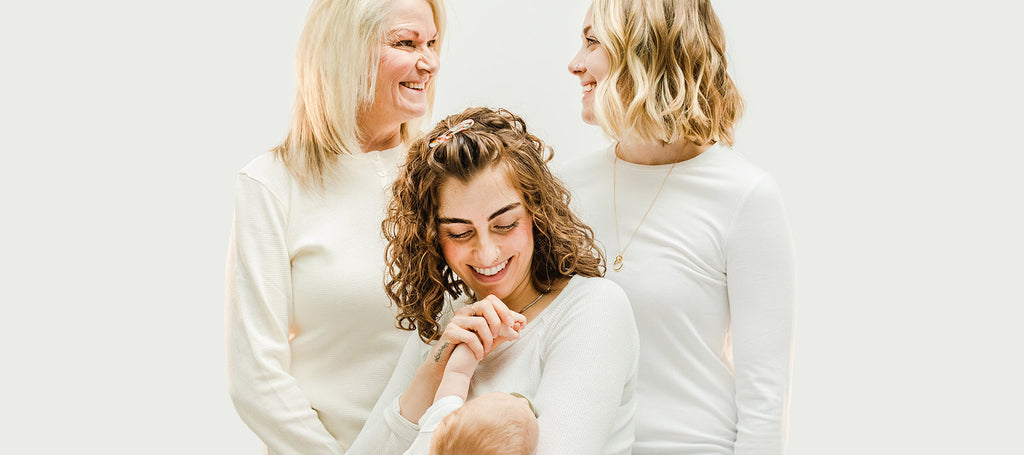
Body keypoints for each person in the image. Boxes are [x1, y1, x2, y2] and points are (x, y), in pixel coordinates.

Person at [563, 1, 797, 454]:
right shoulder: (562, 188)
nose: (574, 63)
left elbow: (765, 402)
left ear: (646, 53)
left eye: (593, 41)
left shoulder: (746, 196)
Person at [347, 107, 639, 455]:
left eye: (504, 225)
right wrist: (435, 368)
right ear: (431, 237)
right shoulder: (450, 317)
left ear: (536, 212)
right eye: (459, 233)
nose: (486, 255)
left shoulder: (592, 309)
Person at [224, 0, 445, 452]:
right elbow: (255, 376)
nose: (429, 61)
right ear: (345, 51)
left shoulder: (447, 169)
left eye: (432, 43)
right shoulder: (271, 185)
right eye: (406, 43)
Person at [402, 342, 540, 455]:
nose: (522, 400)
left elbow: (457, 372)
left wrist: (476, 342)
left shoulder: (437, 426)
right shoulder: (442, 425)